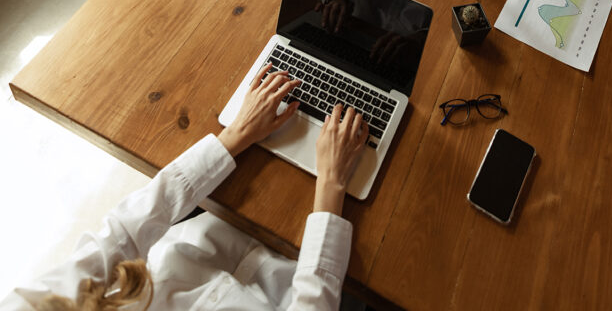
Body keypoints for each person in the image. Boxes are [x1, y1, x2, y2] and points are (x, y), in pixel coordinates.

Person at [0, 66, 369, 310]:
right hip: (304, 282)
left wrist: (234, 136)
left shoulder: (32, 306)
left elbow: (120, 234)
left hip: (214, 234)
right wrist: (331, 184)